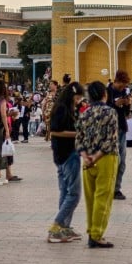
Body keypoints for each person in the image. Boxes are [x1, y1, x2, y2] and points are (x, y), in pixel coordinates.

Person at [77, 81, 119, 248]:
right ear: (104, 94)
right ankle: (96, 234)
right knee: (103, 197)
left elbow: (78, 138)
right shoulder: (110, 112)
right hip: (105, 158)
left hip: (87, 160)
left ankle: (91, 230)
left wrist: (86, 156)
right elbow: (111, 139)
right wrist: (97, 156)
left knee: (90, 198)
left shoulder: (84, 113)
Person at [47, 81, 84, 243]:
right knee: (74, 194)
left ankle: (64, 227)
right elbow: (55, 131)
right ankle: (57, 225)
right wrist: (77, 134)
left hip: (62, 154)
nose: (78, 101)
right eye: (77, 98)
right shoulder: (62, 109)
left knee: (65, 191)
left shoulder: (67, 108)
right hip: (67, 154)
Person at [106, 70, 131, 200]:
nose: (124, 87)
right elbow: (104, 109)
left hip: (121, 128)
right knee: (115, 160)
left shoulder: (123, 93)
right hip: (111, 130)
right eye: (123, 84)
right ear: (117, 81)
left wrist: (127, 105)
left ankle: (116, 189)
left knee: (122, 162)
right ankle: (108, 188)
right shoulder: (108, 92)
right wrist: (115, 104)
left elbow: (125, 113)